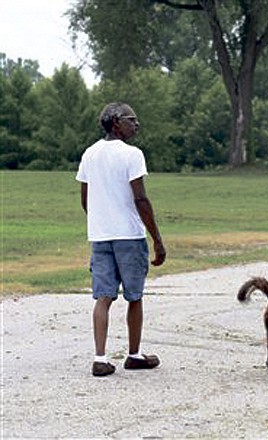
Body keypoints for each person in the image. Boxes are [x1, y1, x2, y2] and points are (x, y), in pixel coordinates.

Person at [76, 102, 166, 377]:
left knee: (103, 296)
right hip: (129, 235)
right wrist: (157, 239)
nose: (136, 124)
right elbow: (140, 198)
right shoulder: (132, 155)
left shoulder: (89, 154)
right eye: (131, 119)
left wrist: (102, 221)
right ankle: (134, 355)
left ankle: (100, 358)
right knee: (134, 296)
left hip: (101, 237)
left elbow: (85, 198)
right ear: (116, 123)